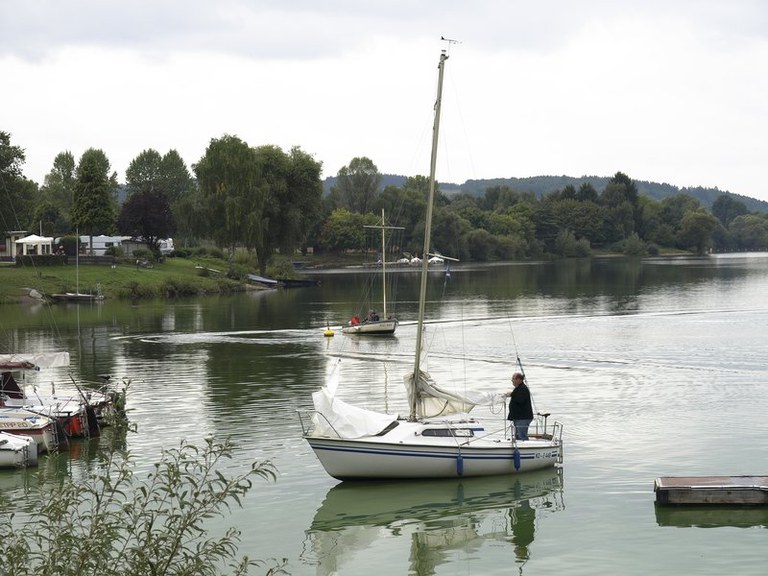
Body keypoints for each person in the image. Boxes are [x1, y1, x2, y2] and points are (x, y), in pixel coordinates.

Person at [505, 372, 533, 440]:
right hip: (518, 417)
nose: (512, 381)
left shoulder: (523, 389)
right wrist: (512, 394)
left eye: (513, 379)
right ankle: (519, 448)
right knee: (517, 436)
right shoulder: (518, 388)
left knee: (522, 436)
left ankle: (526, 449)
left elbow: (521, 400)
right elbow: (517, 396)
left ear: (519, 380)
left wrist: (512, 395)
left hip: (523, 418)